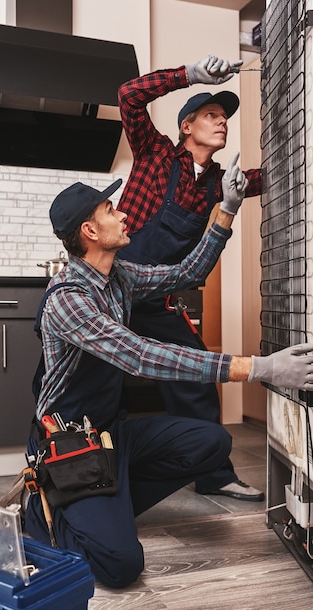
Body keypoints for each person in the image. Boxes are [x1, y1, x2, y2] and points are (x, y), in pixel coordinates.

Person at [24, 177, 313, 589]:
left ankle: (108, 500)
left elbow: (186, 272)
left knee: (212, 443)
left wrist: (227, 209)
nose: (122, 214)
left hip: (111, 434)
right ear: (89, 232)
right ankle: (45, 508)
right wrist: (260, 368)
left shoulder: (119, 275)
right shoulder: (68, 299)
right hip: (68, 444)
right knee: (120, 566)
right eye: (110, 210)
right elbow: (142, 356)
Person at [116, 54, 264, 501]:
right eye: (211, 115)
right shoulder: (156, 154)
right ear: (186, 127)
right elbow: (128, 96)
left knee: (197, 376)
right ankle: (83, 469)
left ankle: (213, 474)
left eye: (224, 118)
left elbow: (271, 178)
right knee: (95, 384)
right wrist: (190, 75)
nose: (222, 123)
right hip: (113, 292)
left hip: (155, 299)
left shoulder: (221, 181)